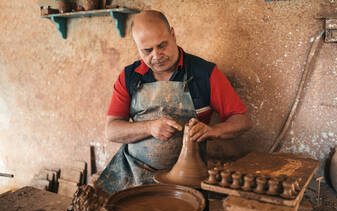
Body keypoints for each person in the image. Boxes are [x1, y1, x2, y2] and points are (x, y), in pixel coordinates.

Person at [95, 10, 252, 193]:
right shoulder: (129, 77)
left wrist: (212, 131)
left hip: (186, 181)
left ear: (173, 35)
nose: (156, 55)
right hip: (134, 175)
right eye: (147, 50)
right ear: (137, 47)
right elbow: (112, 130)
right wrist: (149, 127)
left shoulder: (204, 73)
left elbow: (243, 120)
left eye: (162, 45)